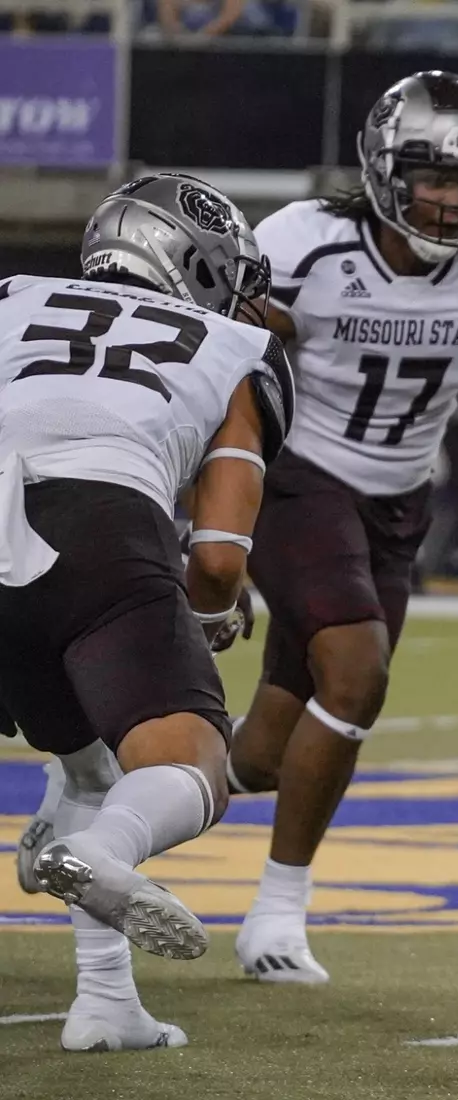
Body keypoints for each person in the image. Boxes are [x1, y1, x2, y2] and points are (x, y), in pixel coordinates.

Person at [224, 70, 458, 984]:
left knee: (270, 752)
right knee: (356, 674)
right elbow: (228, 385)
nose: (447, 199)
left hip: (399, 503)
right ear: (386, 168)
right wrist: (222, 528)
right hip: (297, 475)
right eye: (431, 176)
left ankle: (120, 789)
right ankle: (277, 912)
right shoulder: (304, 246)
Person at [5, 174, 293, 1049]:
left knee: (87, 767)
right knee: (189, 759)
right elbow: (215, 558)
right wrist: (206, 612)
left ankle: (106, 1003)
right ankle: (110, 848)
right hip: (94, 521)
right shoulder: (238, 343)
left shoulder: (11, 296)